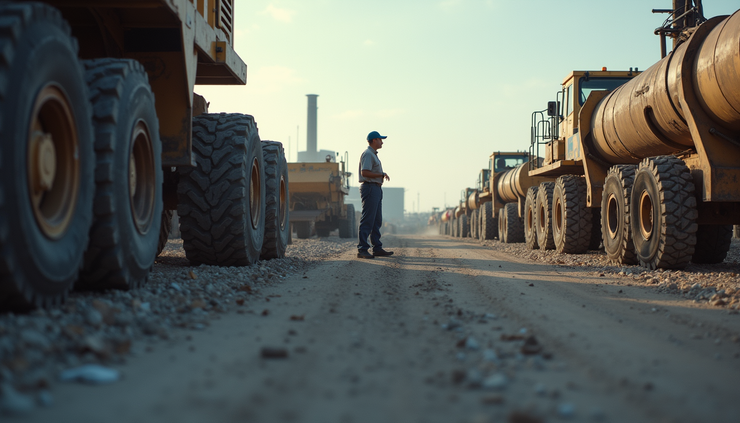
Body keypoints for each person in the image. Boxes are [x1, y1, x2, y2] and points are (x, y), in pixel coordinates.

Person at [357, 131, 394, 259]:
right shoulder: (368, 154)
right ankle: (362, 249)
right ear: (373, 140)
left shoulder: (373, 155)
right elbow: (365, 172)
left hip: (376, 188)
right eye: (380, 139)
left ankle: (377, 248)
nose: (382, 142)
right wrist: (380, 174)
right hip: (370, 188)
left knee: (376, 220)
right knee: (368, 219)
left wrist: (381, 174)